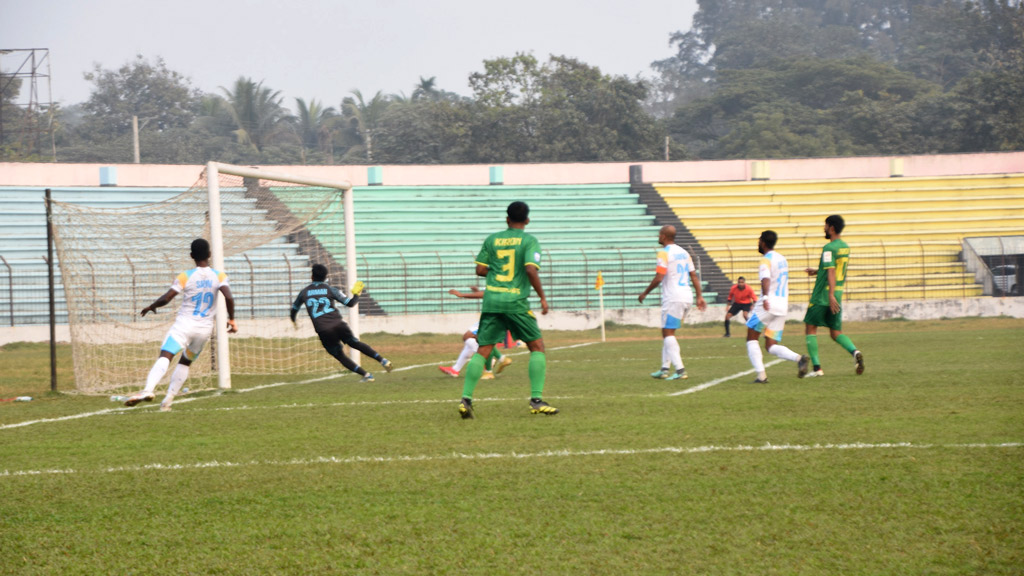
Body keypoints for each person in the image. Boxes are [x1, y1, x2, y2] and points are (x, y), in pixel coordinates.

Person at [458, 201, 557, 419]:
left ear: (507, 219)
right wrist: (542, 297)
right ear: (528, 220)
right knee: (537, 346)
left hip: (492, 300)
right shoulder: (529, 241)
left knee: (484, 348)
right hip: (515, 301)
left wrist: (497, 273)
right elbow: (530, 269)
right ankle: (536, 400)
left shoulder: (492, 239)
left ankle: (466, 399)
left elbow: (480, 269)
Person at [125, 239, 237, 411]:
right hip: (204, 330)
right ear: (209, 255)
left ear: (191, 256)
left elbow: (167, 298)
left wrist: (152, 306)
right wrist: (231, 319)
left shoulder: (186, 276)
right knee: (185, 362)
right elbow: (228, 297)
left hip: (184, 326)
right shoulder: (219, 276)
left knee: (166, 355)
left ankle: (148, 390)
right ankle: (167, 402)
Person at [290, 264, 392, 382]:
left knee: (339, 355)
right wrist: (357, 295)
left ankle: (366, 375)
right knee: (355, 343)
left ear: (311, 277)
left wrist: (293, 321)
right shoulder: (331, 289)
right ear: (325, 277)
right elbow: (351, 303)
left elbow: (294, 309)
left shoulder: (304, 292)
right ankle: (383, 360)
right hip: (338, 324)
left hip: (323, 329)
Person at [638, 225, 707, 380]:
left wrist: (645, 293)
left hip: (673, 297)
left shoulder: (664, 253)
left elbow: (659, 277)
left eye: (659, 234)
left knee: (667, 333)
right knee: (669, 332)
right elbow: (694, 276)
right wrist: (699, 296)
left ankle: (680, 370)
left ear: (663, 236)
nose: (658, 236)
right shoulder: (684, 252)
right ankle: (664, 369)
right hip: (686, 296)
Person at [745, 230, 810, 383]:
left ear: (763, 242)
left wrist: (766, 297)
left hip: (768, 303)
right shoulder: (782, 259)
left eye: (759, 240)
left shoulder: (765, 260)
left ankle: (761, 376)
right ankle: (799, 359)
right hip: (782, 305)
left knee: (751, 337)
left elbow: (766, 279)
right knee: (770, 345)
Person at [803, 214, 864, 377]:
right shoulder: (845, 247)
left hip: (824, 294)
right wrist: (817, 271)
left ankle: (817, 369)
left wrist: (829, 294)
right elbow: (833, 268)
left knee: (810, 327)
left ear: (831, 228)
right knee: (835, 332)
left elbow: (831, 271)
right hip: (838, 292)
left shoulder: (829, 248)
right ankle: (855, 351)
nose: (823, 228)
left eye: (825, 225)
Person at [439, 287, 512, 379]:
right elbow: (489, 296)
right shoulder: (505, 285)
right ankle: (455, 369)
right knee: (472, 341)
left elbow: (488, 294)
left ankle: (490, 359)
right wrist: (477, 292)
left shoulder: (498, 282)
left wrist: (462, 295)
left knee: (468, 336)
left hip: (493, 319)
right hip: (496, 318)